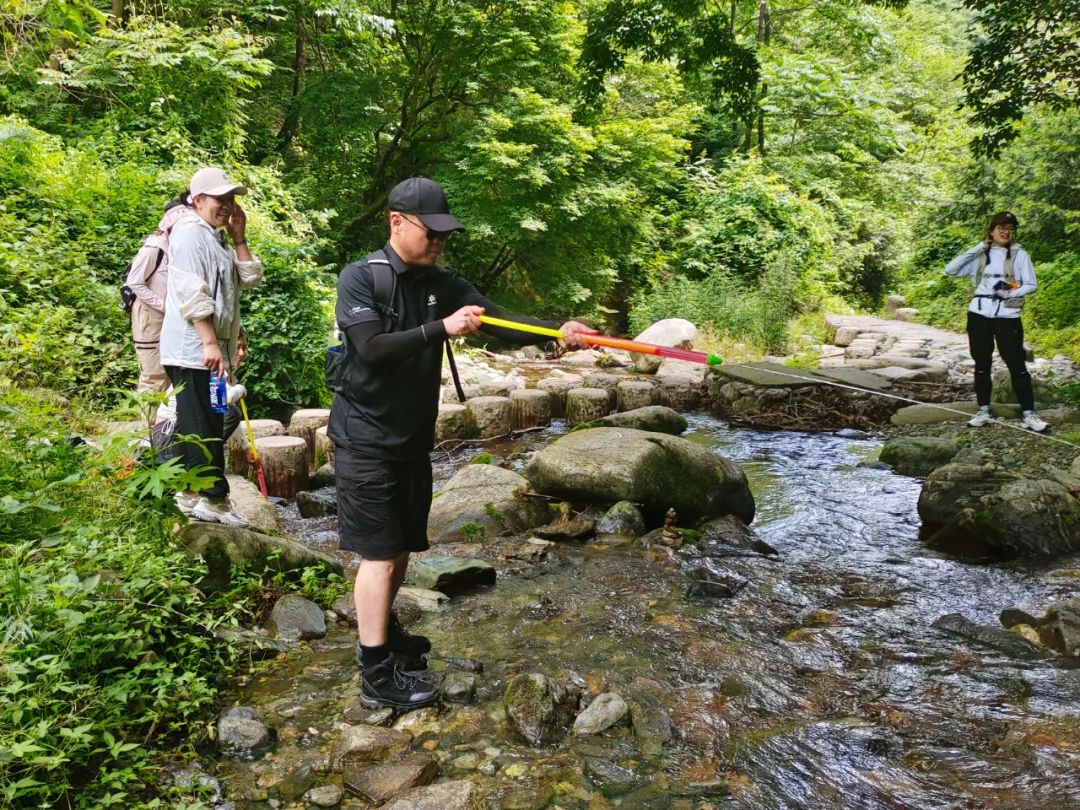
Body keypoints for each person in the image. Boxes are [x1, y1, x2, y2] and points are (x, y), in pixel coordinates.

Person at [329, 176, 595, 710]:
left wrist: (556, 331)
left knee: (401, 548)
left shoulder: (441, 282)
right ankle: (375, 672)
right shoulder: (362, 279)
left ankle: (386, 636)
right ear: (397, 222)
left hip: (410, 440)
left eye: (445, 235)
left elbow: (502, 322)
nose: (439, 243)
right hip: (365, 440)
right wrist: (442, 329)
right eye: (431, 233)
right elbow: (372, 348)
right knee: (378, 557)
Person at [159, 167, 263, 525]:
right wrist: (208, 342)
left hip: (213, 352)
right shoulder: (188, 234)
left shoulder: (213, 236)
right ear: (198, 198)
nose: (227, 205)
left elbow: (248, 279)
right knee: (203, 423)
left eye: (230, 199)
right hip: (194, 351)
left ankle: (189, 492)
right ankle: (214, 500)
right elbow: (191, 292)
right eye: (220, 198)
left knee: (212, 416)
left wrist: (239, 238)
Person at [944, 211, 1048, 432]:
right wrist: (978, 248)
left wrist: (1009, 291)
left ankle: (1029, 414)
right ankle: (983, 410)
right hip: (979, 315)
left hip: (1007, 316)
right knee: (981, 366)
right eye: (1001, 228)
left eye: (1010, 228)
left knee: (1017, 366)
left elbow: (1031, 284)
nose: (1006, 232)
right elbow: (950, 269)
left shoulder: (1021, 256)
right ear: (991, 231)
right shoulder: (981, 255)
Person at [127, 193, 194, 393]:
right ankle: (148, 423)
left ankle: (167, 423)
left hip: (172, 316)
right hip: (151, 317)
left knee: (173, 372)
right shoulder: (154, 247)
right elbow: (134, 281)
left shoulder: (180, 247)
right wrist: (163, 305)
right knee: (154, 375)